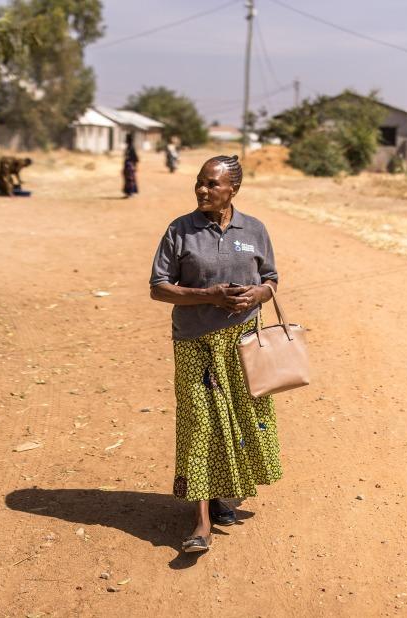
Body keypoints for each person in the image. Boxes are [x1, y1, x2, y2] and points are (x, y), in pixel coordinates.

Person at [149, 154, 282, 554]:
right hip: (196, 342)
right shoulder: (180, 230)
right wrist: (208, 295)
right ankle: (201, 520)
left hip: (243, 344)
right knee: (199, 424)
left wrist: (259, 293)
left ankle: (225, 493)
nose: (203, 190)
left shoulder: (254, 229)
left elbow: (271, 278)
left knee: (239, 421)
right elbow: (158, 287)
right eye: (200, 182)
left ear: (233, 190)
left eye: (213, 184)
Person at [122, 133, 139, 197]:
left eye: (126, 139)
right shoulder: (128, 147)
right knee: (128, 179)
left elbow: (135, 158)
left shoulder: (131, 148)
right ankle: (128, 192)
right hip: (127, 165)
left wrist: (135, 166)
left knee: (130, 179)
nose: (125, 141)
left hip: (130, 166)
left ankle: (131, 192)